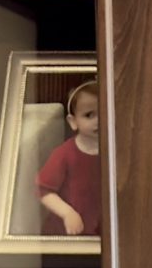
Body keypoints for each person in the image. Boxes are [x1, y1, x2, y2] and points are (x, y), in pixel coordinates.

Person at [36, 79, 104, 239]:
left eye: (105, 113)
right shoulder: (65, 153)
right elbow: (43, 190)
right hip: (67, 234)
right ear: (73, 122)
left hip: (101, 234)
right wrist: (67, 213)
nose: (98, 120)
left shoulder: (119, 152)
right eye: (89, 115)